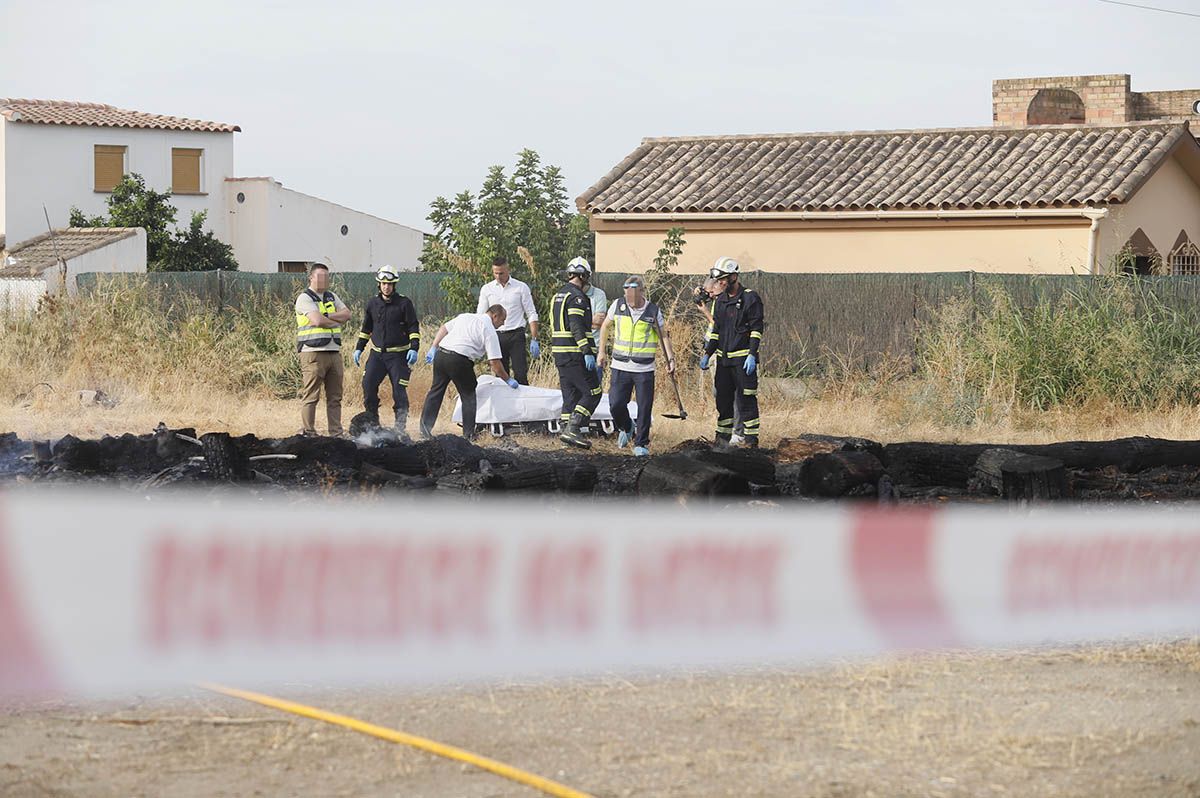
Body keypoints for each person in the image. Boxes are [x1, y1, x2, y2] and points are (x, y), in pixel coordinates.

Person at [596, 275, 676, 456]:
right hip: (620, 365)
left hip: (644, 369)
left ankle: (641, 443)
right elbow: (605, 327)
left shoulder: (653, 311)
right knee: (615, 404)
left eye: (633, 298)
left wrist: (671, 359)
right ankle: (626, 426)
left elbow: (663, 336)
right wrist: (601, 352)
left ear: (641, 292)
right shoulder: (617, 305)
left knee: (644, 407)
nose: (630, 302)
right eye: (627, 296)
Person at [419, 305, 518, 440]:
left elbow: (444, 328)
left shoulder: (466, 316)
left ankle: (424, 430)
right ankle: (469, 435)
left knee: (435, 392)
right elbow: (495, 363)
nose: (503, 324)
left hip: (441, 355)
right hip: (459, 360)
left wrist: (433, 347)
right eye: (502, 320)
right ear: (495, 316)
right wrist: (508, 379)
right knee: (469, 395)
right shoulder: (489, 330)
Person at [700, 256, 764, 448]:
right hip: (724, 361)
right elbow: (716, 331)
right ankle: (721, 440)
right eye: (718, 280)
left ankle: (751, 441)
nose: (719, 283)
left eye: (723, 280)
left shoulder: (750, 298)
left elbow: (756, 329)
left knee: (746, 400)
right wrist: (707, 353)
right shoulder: (719, 302)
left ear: (734, 277)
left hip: (743, 360)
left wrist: (752, 354)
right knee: (723, 401)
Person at [353, 266, 420, 436]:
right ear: (379, 284)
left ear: (394, 284)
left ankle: (400, 428)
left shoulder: (404, 303)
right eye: (383, 283)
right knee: (368, 386)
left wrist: (414, 348)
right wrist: (359, 348)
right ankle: (373, 424)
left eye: (389, 284)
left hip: (399, 356)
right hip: (377, 355)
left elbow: (413, 326)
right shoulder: (372, 304)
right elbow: (366, 327)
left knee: (399, 391)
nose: (386, 287)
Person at [295, 262, 352, 436]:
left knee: (335, 397)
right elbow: (316, 321)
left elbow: (347, 314)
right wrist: (335, 319)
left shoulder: (331, 296)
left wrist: (326, 316)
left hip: (334, 352)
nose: (324, 279)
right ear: (310, 278)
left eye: (327, 276)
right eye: (320, 276)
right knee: (311, 396)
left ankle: (336, 433)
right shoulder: (304, 298)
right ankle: (309, 433)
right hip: (313, 353)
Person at [550, 257, 602, 449]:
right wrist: (586, 351)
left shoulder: (558, 295)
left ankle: (566, 432)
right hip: (574, 354)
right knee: (593, 392)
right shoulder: (577, 297)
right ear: (584, 275)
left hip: (560, 354)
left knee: (570, 395)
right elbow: (576, 326)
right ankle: (574, 428)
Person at [476, 256, 540, 384]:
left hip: (516, 334)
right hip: (496, 335)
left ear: (508, 270)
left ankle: (524, 401)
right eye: (495, 273)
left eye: (501, 273)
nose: (498, 276)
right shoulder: (487, 289)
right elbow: (481, 315)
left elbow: (531, 313)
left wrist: (534, 338)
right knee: (500, 375)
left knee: (521, 373)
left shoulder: (521, 288)